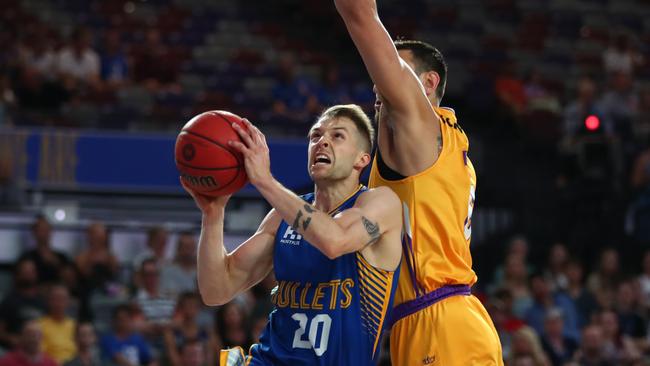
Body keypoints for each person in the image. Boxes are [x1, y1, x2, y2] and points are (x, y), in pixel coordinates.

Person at [334, 1, 503, 364]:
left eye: (396, 72)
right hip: (450, 318)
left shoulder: (420, 131)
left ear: (428, 83)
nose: (381, 80)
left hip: (438, 323)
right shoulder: (448, 145)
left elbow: (361, 15)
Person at [185, 104, 403, 365]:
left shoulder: (381, 204)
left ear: (362, 159)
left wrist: (265, 180)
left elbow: (335, 241)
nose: (322, 142)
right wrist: (213, 215)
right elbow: (216, 291)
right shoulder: (282, 216)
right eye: (315, 135)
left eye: (337, 136)